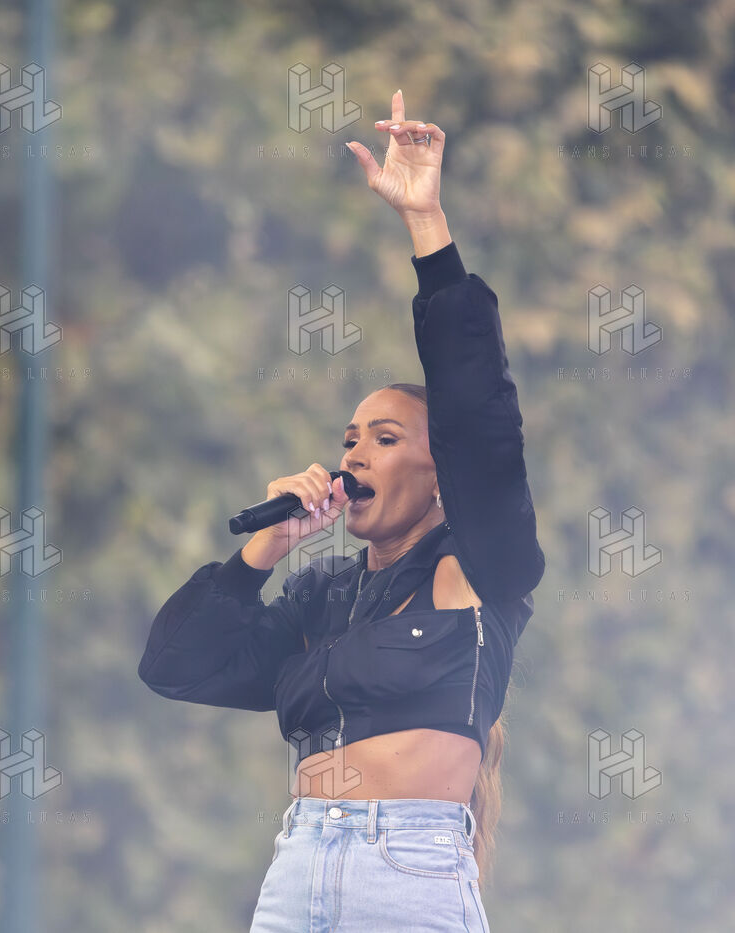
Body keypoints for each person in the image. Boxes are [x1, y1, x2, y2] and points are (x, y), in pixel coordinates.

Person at [137, 90, 545, 932]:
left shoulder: (476, 573)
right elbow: (175, 665)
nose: (354, 454)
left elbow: (480, 416)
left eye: (385, 439)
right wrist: (264, 551)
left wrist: (425, 223)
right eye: (349, 438)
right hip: (298, 867)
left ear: (442, 476)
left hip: (408, 868)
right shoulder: (319, 596)